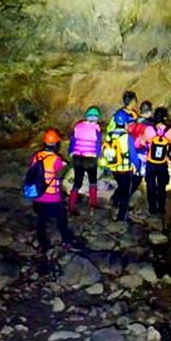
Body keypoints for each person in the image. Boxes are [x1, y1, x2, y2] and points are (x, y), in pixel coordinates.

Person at [29, 128, 76, 258]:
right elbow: (62, 172)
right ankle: (67, 242)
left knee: (41, 221)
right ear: (56, 144)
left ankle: (43, 245)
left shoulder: (36, 156)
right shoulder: (56, 159)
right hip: (52, 198)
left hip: (38, 196)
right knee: (61, 220)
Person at [101, 109, 138, 222]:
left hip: (114, 167)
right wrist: (136, 165)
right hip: (125, 169)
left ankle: (114, 201)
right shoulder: (127, 137)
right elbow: (133, 154)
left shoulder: (110, 136)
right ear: (126, 123)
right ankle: (122, 217)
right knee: (126, 193)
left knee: (121, 186)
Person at [67, 106, 103, 215]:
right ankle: (93, 204)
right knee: (92, 181)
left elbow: (72, 141)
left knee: (77, 182)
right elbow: (98, 144)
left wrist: (71, 152)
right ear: (97, 118)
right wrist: (99, 155)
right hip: (90, 158)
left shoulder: (78, 126)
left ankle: (71, 206)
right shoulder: (96, 128)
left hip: (77, 157)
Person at [141, 106, 171, 220]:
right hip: (162, 163)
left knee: (150, 186)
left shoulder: (149, 129)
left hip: (151, 162)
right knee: (161, 186)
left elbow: (143, 142)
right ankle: (161, 208)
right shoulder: (170, 131)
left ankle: (152, 208)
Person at [126, 101, 154, 208]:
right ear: (150, 111)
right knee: (137, 178)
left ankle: (121, 196)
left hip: (133, 153)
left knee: (134, 176)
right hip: (142, 154)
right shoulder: (149, 125)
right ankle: (121, 198)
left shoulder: (133, 123)